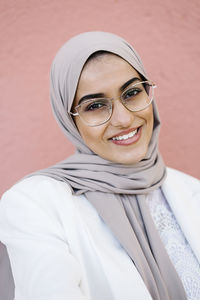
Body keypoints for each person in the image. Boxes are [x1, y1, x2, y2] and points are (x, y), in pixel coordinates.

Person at [0, 31, 199, 300]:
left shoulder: (192, 191)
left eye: (132, 93)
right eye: (95, 105)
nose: (124, 119)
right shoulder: (34, 204)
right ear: (69, 119)